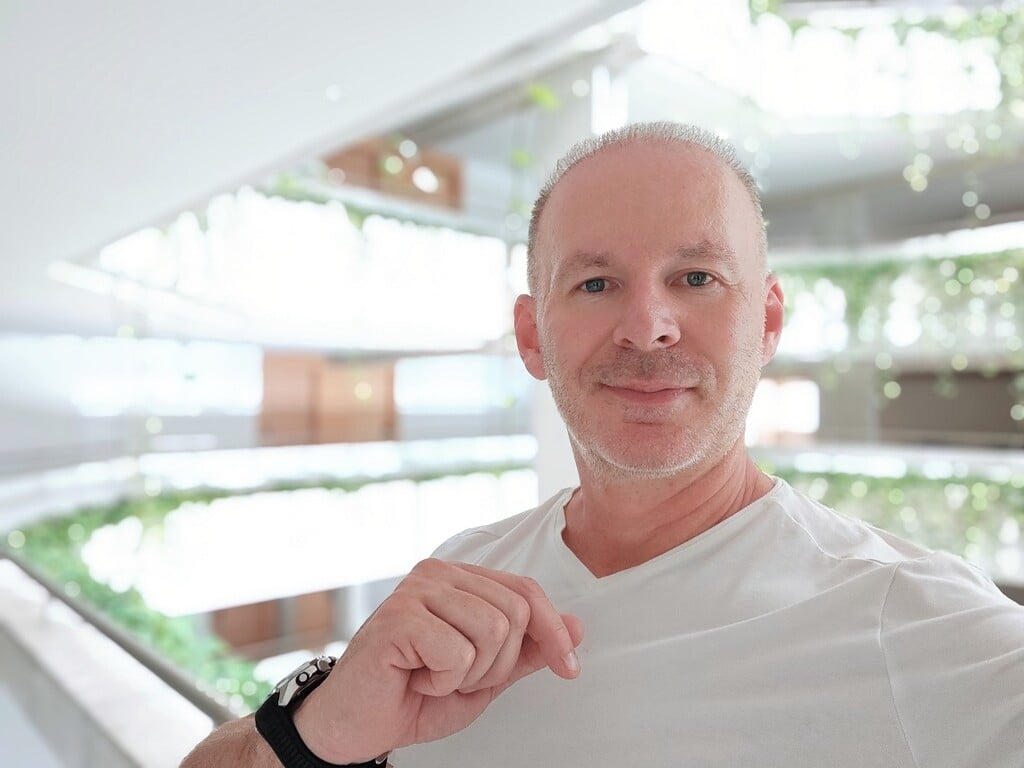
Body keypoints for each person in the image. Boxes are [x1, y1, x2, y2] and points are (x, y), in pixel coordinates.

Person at [181, 122, 1023, 768]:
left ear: (766, 322)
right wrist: (312, 734)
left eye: (696, 278)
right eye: (595, 283)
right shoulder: (464, 573)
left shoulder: (911, 618)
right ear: (532, 337)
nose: (647, 327)